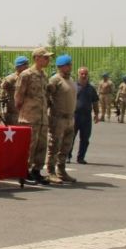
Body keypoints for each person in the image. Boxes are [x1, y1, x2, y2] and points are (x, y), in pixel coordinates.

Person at [15, 47, 53, 185]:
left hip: (42, 117)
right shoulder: (26, 75)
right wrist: (24, 112)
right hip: (29, 117)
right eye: (45, 57)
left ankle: (36, 171)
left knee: (41, 146)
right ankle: (24, 172)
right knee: (29, 147)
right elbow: (18, 97)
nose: (48, 60)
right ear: (36, 58)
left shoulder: (44, 75)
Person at [45, 55, 78, 184]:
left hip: (70, 118)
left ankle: (61, 170)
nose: (70, 66)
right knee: (54, 145)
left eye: (70, 64)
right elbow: (47, 96)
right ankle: (51, 171)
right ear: (61, 66)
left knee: (66, 145)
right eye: (68, 64)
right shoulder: (55, 80)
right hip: (58, 118)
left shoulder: (71, 80)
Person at [72, 67, 99, 165]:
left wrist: (96, 114)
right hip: (75, 116)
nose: (84, 76)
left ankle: (81, 158)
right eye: (82, 74)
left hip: (86, 117)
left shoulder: (91, 88)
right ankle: (67, 156)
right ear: (78, 74)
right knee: (71, 137)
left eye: (85, 74)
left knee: (85, 139)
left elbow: (95, 102)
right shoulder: (73, 86)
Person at [1, 56, 28, 125]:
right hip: (13, 115)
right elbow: (1, 94)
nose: (27, 66)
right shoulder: (10, 79)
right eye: (24, 64)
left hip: (26, 114)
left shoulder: (29, 78)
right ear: (17, 67)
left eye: (27, 64)